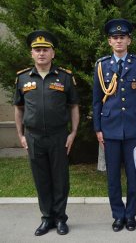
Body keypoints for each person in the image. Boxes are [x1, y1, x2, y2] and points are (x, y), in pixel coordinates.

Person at [14, 30, 79, 236]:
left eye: (45, 49)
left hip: (59, 136)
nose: (41, 53)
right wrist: (21, 135)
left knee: (60, 178)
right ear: (32, 54)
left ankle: (60, 218)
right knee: (41, 179)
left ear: (53, 53)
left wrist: (73, 133)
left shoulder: (65, 77)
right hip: (33, 137)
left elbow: (74, 106)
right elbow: (19, 108)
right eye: (37, 50)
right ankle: (46, 218)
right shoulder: (23, 78)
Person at [92, 18, 136, 232]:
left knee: (134, 176)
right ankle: (118, 215)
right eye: (115, 38)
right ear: (109, 41)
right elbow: (97, 101)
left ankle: (131, 214)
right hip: (109, 129)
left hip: (134, 129)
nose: (119, 41)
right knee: (113, 176)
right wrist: (98, 128)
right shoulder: (101, 66)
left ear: (129, 40)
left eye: (122, 37)